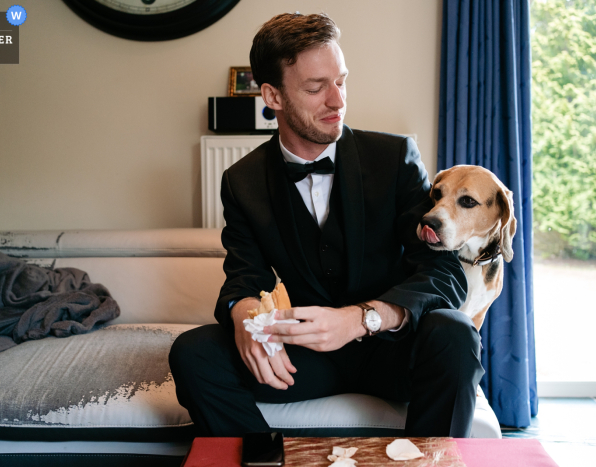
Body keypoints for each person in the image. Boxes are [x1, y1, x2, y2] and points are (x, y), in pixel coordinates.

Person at [169, 12, 483, 438]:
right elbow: (244, 279)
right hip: (304, 359)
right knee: (193, 353)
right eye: (317, 88)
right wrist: (244, 318)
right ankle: (264, 459)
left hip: (393, 350)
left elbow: (443, 271)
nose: (337, 101)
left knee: (455, 334)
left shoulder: (395, 157)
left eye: (342, 81)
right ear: (273, 96)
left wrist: (362, 319)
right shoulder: (241, 181)